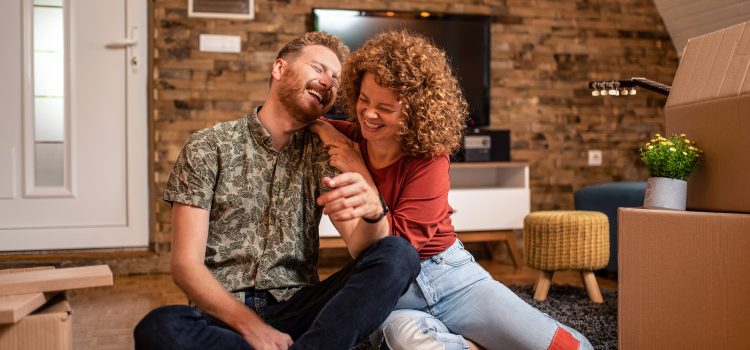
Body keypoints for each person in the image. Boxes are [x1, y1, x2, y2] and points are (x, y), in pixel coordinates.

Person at [133, 32, 420, 350]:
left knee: (399, 254)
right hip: (223, 317)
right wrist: (253, 328)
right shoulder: (208, 146)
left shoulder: (325, 152)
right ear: (279, 68)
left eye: (335, 79)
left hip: (298, 310)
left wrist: (373, 211)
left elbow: (361, 247)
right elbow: (185, 266)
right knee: (160, 326)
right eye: (318, 68)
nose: (328, 82)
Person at [313, 31, 594, 350]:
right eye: (364, 100)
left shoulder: (429, 157)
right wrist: (320, 124)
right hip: (389, 293)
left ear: (413, 111)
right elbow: (301, 117)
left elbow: (399, 246)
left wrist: (360, 171)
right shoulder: (348, 138)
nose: (369, 114)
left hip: (450, 278)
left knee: (572, 349)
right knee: (404, 341)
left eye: (385, 107)